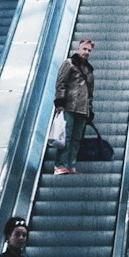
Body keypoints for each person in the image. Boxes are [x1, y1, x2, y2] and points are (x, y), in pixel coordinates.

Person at [53, 38, 94, 175]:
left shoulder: (89, 69)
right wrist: (60, 102)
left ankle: (71, 165)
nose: (86, 52)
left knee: (76, 139)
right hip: (69, 106)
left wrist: (90, 109)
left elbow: (90, 92)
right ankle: (60, 165)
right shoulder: (69, 64)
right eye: (84, 49)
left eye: (89, 50)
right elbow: (61, 83)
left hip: (82, 109)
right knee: (67, 136)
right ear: (78, 48)